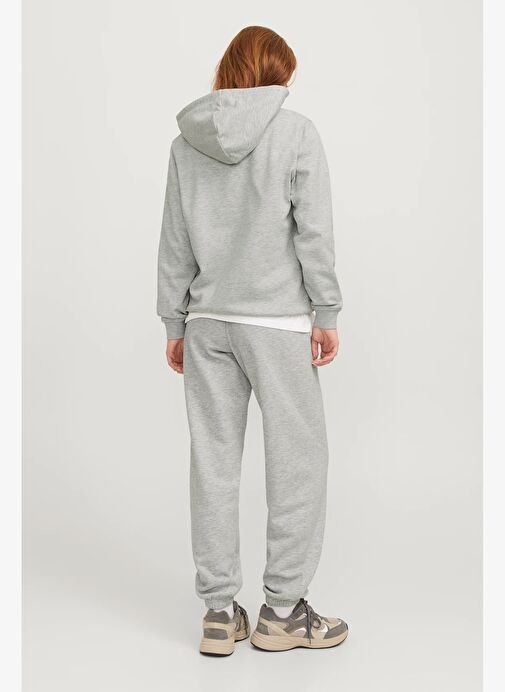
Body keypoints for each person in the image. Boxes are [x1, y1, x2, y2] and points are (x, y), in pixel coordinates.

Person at [157, 26, 347, 655]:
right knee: (298, 463)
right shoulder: (296, 133)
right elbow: (313, 232)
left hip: (208, 323)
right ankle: (283, 613)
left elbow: (175, 242)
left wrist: (175, 322)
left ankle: (218, 612)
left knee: (212, 463)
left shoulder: (186, 143)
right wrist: (326, 310)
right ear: (277, 75)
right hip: (277, 323)